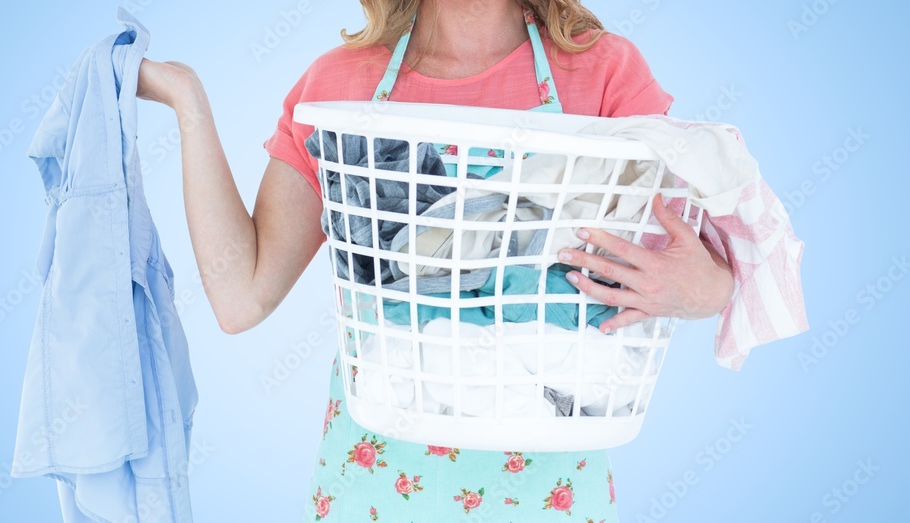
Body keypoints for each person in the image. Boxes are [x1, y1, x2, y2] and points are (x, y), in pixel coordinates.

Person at [136, 1, 734, 520]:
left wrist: (699, 290)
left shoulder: (603, 72)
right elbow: (241, 297)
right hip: (379, 483)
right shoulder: (340, 88)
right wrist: (190, 106)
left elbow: (707, 268)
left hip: (547, 485)